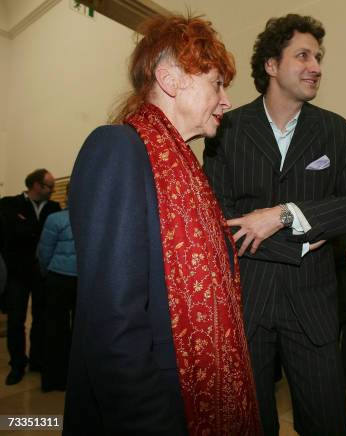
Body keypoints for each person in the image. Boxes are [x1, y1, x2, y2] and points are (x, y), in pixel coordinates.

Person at [63, 15, 261, 436]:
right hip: (157, 409)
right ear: (171, 80)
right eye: (217, 84)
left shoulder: (187, 171)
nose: (226, 100)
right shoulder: (118, 148)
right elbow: (113, 323)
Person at [204, 14, 346, 436]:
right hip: (248, 301)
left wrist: (286, 215)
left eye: (318, 57)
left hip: (313, 307)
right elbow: (218, 219)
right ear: (270, 65)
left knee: (327, 423)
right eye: (303, 55)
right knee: (249, 423)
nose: (316, 66)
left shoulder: (334, 130)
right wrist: (300, 243)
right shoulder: (228, 129)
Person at [0, 168, 61, 385]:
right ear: (35, 185)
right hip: (17, 275)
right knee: (16, 321)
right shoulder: (8, 204)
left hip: (43, 273)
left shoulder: (54, 208)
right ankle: (17, 365)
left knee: (41, 319)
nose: (53, 190)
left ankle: (38, 360)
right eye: (49, 186)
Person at [37, 184, 77, 392]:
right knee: (81, 331)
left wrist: (47, 273)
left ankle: (54, 379)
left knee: (55, 330)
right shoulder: (93, 218)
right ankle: (78, 378)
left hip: (57, 279)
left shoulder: (55, 219)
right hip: (83, 281)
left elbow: (44, 252)